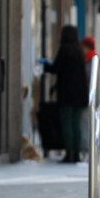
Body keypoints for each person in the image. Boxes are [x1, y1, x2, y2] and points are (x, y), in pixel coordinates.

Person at [41, 25, 88, 163]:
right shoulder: (79, 52)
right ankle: (77, 154)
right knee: (76, 124)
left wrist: (44, 64)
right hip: (80, 95)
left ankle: (69, 153)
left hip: (67, 95)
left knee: (66, 123)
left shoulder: (64, 50)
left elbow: (56, 68)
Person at [81, 36, 100, 151]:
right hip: (88, 100)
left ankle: (90, 152)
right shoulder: (88, 61)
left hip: (95, 101)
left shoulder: (96, 62)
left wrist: (99, 100)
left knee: (90, 127)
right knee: (86, 127)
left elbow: (99, 84)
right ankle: (88, 151)